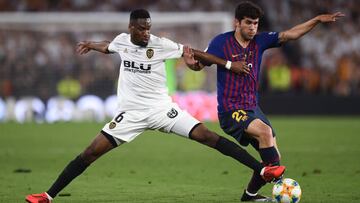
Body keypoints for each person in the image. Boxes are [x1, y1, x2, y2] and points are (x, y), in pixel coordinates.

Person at [25, 9, 285, 203]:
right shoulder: (122, 41)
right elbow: (110, 47)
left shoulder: (161, 45)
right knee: (90, 152)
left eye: (149, 28)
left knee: (207, 136)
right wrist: (92, 45)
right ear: (131, 28)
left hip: (163, 110)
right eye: (141, 29)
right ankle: (48, 196)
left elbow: (196, 52)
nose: (146, 33)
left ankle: (262, 169)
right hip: (131, 114)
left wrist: (227, 65)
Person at [184, 1, 344, 202]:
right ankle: (282, 186)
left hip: (252, 108)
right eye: (249, 23)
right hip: (230, 109)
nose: (252, 27)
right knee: (265, 132)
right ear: (237, 23)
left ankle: (250, 195)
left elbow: (290, 34)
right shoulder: (220, 43)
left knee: (273, 155)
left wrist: (317, 20)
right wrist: (192, 65)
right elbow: (200, 64)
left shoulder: (260, 41)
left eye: (256, 23)